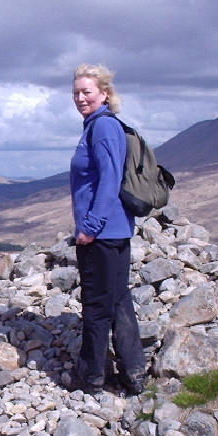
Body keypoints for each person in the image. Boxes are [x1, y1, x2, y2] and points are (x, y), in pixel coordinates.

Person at [69, 63, 145, 396]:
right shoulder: (96, 127)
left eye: (87, 91)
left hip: (101, 234)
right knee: (117, 301)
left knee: (97, 306)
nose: (80, 98)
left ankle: (92, 377)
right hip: (114, 232)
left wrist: (90, 227)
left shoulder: (102, 128)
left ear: (104, 93)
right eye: (76, 93)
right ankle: (134, 374)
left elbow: (109, 180)